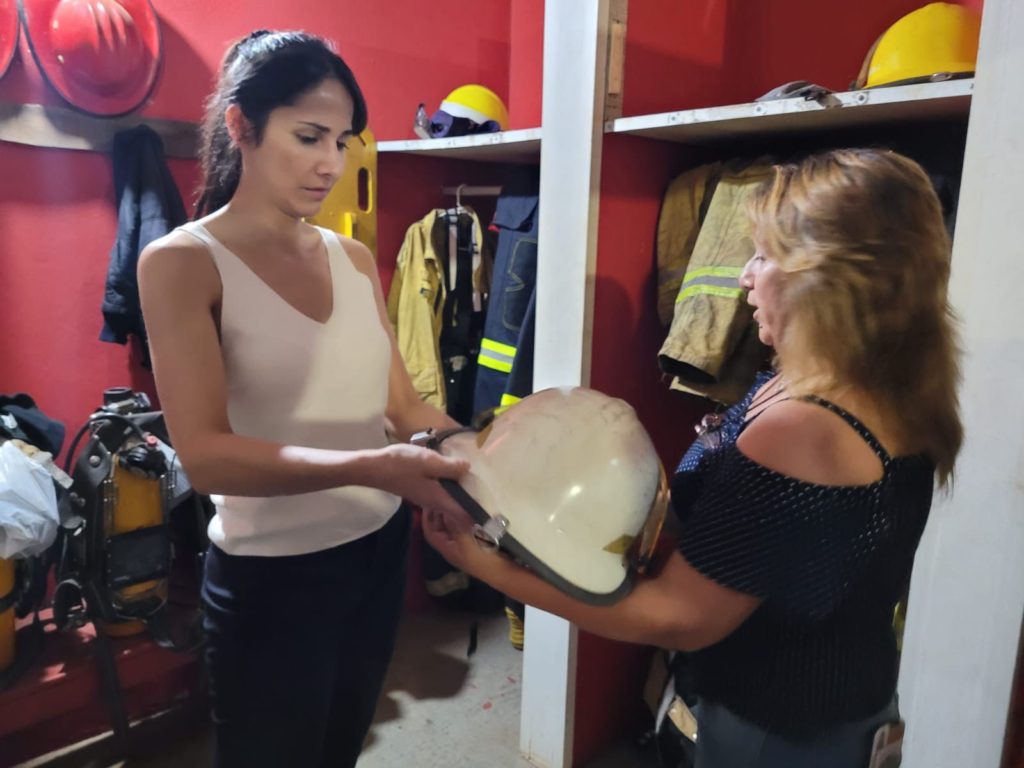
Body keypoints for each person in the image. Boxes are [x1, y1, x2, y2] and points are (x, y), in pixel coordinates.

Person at [424, 148, 962, 767]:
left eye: (764, 256)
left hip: (778, 734)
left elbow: (678, 617)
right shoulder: (880, 387)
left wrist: (483, 564)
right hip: (839, 712)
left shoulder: (805, 428)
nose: (744, 277)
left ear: (825, 280)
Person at [138, 30, 469, 768]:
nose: (332, 164)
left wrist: (488, 454)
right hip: (272, 577)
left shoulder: (352, 258)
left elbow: (405, 408)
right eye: (309, 136)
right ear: (242, 125)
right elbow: (207, 456)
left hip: (378, 552)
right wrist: (376, 467)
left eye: (343, 141)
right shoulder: (184, 262)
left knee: (339, 749)